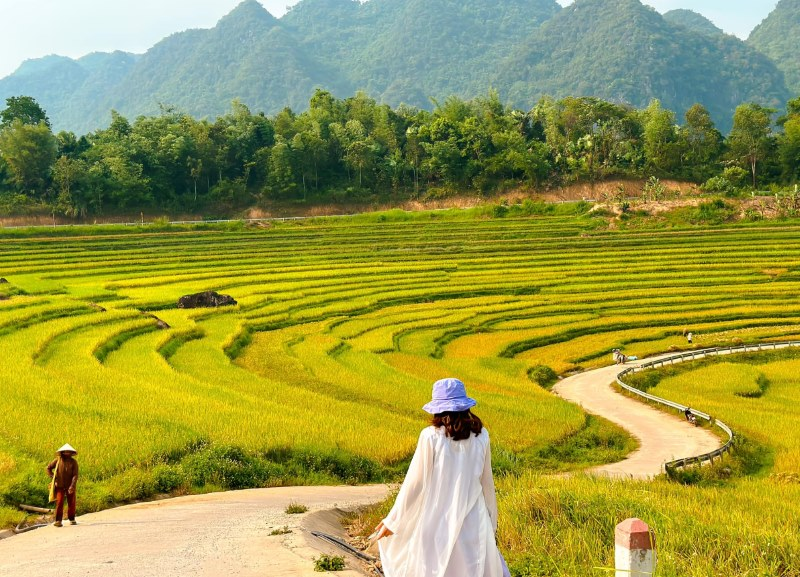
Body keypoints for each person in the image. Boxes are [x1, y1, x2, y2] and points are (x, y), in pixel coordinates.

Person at [373, 378, 510, 577]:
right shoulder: (482, 436)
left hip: (436, 519)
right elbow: (487, 483)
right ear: (465, 406)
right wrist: (492, 523)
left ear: (438, 409)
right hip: (473, 520)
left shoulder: (431, 436)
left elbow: (415, 483)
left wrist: (393, 521)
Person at [46, 443, 79, 527]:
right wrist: (53, 478)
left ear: (71, 453)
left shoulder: (74, 462)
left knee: (71, 503)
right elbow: (48, 468)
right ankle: (58, 521)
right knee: (59, 503)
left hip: (70, 486)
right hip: (60, 486)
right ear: (62, 452)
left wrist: (72, 486)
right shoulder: (57, 460)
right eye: (65, 451)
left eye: (69, 452)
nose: (67, 453)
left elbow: (75, 475)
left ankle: (72, 519)